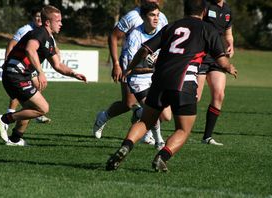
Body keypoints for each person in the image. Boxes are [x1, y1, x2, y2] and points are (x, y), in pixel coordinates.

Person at [105, 0, 237, 172]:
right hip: (185, 82)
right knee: (183, 129)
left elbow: (145, 50)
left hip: (159, 80)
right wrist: (229, 67)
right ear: (204, 12)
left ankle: (125, 147)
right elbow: (221, 60)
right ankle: (162, 156)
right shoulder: (208, 29)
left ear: (185, 10)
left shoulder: (171, 26)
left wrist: (129, 68)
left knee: (145, 120)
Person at [0, 5, 87, 146]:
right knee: (43, 108)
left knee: (29, 109)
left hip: (18, 75)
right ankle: (4, 119)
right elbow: (30, 49)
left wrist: (74, 74)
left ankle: (15, 139)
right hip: (15, 74)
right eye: (58, 21)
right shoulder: (40, 33)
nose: (61, 24)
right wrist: (40, 72)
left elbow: (57, 65)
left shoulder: (48, 39)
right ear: (48, 22)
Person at [92, 0, 168, 142]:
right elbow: (114, 37)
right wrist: (116, 64)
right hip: (131, 65)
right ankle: (102, 117)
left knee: (157, 107)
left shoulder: (161, 18)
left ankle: (146, 129)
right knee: (128, 104)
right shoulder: (133, 16)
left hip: (153, 67)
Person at [124, 2, 171, 150]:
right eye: (152, 15)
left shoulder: (162, 31)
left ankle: (139, 112)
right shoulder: (135, 37)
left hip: (156, 77)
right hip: (139, 80)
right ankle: (159, 141)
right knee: (155, 111)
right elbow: (130, 69)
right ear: (143, 17)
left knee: (167, 116)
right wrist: (152, 68)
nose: (156, 18)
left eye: (157, 15)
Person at [4, 7, 51, 123]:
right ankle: (11, 112)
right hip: (19, 66)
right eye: (37, 16)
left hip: (29, 67)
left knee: (37, 87)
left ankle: (35, 112)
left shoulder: (44, 31)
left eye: (41, 17)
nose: (39, 19)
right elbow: (11, 44)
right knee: (22, 89)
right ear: (33, 18)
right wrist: (7, 61)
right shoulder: (25, 29)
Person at [197, 0, 234, 146]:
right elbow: (195, 26)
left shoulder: (227, 10)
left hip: (218, 58)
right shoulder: (205, 5)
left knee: (219, 94)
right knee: (195, 98)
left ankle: (207, 137)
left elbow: (228, 34)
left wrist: (230, 44)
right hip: (200, 56)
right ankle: (157, 122)